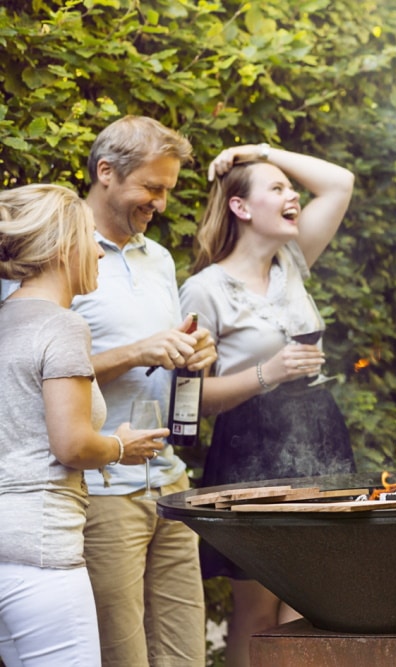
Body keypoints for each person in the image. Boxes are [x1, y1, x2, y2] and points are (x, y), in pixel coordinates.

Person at [179, 143, 356, 667]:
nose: (293, 195)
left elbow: (339, 181)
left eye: (290, 187)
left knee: (314, 604)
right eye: (276, 188)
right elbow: (188, 401)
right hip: (249, 442)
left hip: (317, 429)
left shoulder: (292, 260)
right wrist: (266, 373)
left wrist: (259, 152)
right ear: (240, 207)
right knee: (257, 608)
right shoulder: (204, 290)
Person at [71, 115, 217, 667]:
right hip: (103, 490)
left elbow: (169, 347)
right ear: (105, 172)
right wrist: (138, 351)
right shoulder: (58, 253)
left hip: (169, 482)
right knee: (121, 657)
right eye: (151, 188)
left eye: (167, 190)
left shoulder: (156, 258)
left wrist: (196, 351)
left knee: (186, 655)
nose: (159, 202)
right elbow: (34, 371)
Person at [0, 184, 167, 666]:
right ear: (61, 246)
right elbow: (71, 444)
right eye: (89, 236)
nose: (97, 249)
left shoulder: (7, 319)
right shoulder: (63, 326)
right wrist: (119, 447)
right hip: (44, 552)